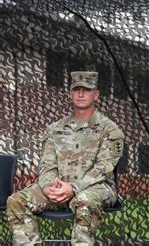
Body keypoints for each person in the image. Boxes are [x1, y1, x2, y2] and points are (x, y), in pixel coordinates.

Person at [7, 71, 125, 245]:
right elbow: (47, 165)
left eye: (86, 89)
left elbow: (104, 167)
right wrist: (48, 188)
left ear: (96, 94)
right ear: (70, 94)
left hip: (96, 187)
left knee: (85, 201)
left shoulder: (110, 130)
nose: (81, 94)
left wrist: (74, 188)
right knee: (16, 201)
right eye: (76, 89)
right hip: (58, 187)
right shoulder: (55, 129)